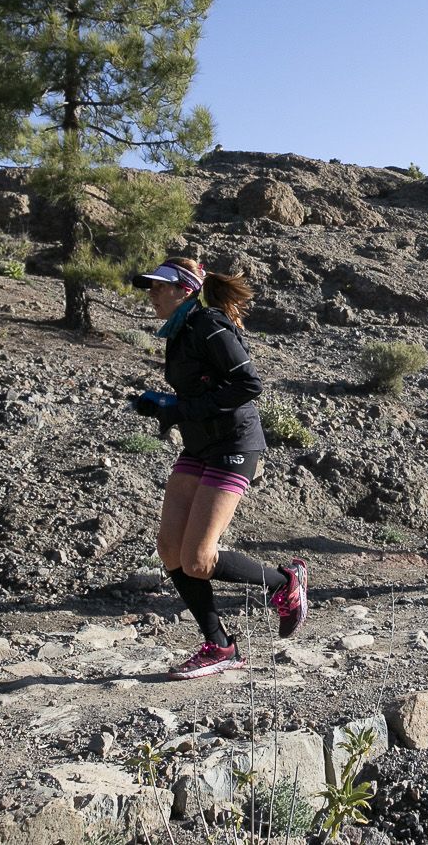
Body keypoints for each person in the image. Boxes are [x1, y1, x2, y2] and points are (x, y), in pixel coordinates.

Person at [129, 257, 308, 679]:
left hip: (233, 444)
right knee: (170, 549)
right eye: (150, 286)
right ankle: (220, 646)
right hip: (199, 444)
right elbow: (202, 387)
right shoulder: (179, 330)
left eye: (159, 286)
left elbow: (249, 385)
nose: (151, 293)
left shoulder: (208, 325)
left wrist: (180, 407)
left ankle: (284, 582)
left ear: (185, 289)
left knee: (197, 559)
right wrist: (165, 406)